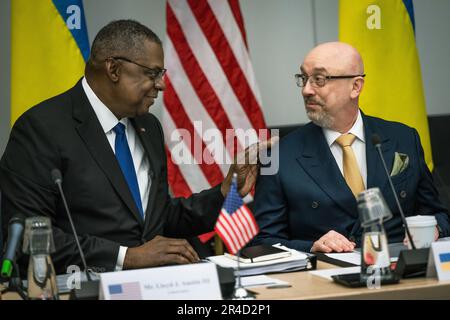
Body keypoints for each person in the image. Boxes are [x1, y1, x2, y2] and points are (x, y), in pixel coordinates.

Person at [0, 20, 269, 274]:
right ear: (114, 69)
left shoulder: (147, 126)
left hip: (161, 285)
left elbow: (160, 217)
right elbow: (27, 234)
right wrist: (126, 257)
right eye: (152, 73)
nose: (161, 85)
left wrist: (223, 191)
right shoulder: (41, 128)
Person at [251, 42, 449, 253]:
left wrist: (433, 229)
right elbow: (264, 241)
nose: (307, 90)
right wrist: (312, 246)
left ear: (355, 86)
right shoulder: (280, 156)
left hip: (399, 271)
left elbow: (438, 214)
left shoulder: (403, 138)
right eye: (304, 78)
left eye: (319, 79)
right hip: (323, 278)